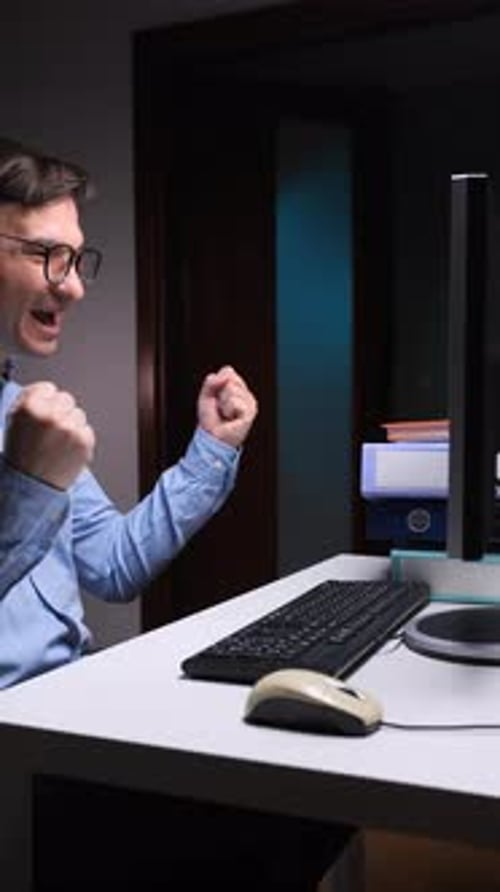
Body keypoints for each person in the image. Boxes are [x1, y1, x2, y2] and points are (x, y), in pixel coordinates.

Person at [0, 137, 356, 892]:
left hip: (76, 720)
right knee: (282, 820)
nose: (73, 287)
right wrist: (28, 487)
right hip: (19, 761)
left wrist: (211, 451)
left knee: (319, 788)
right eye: (47, 255)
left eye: (78, 260)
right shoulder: (35, 434)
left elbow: (113, 565)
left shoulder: (23, 411)